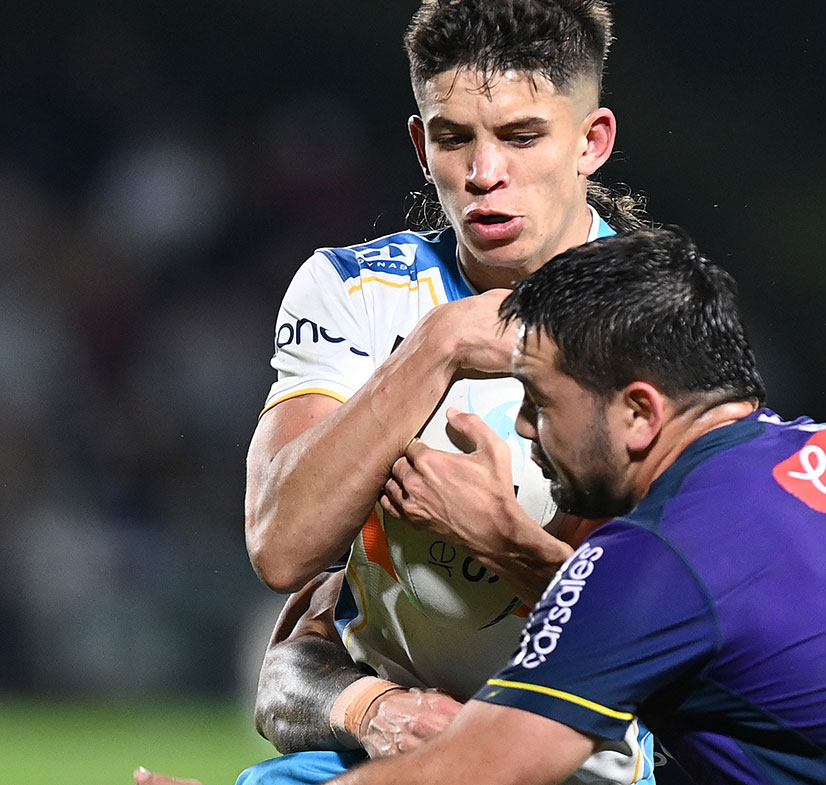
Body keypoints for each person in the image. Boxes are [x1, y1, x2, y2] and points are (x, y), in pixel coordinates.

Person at [314, 226, 826, 785]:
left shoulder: (658, 550)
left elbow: (479, 770)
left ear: (638, 413)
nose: (527, 426)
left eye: (540, 399)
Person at [203, 1, 659, 784]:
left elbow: (673, 628)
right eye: (455, 138)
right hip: (386, 753)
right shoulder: (350, 290)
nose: (485, 174)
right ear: (421, 144)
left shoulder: (661, 319)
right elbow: (282, 545)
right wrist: (439, 344)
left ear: (592, 142)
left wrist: (499, 537)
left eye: (521, 137)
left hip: (586, 767)